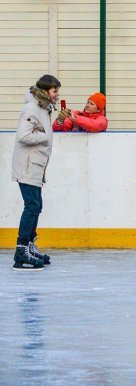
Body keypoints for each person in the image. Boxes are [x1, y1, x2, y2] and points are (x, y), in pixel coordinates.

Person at [11, 74, 61, 271]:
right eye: (55, 91)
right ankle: (21, 251)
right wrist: (45, 136)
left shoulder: (42, 108)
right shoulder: (32, 108)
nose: (57, 95)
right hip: (27, 165)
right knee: (32, 206)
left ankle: (29, 245)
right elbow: (23, 136)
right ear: (46, 91)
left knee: (36, 205)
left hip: (35, 165)